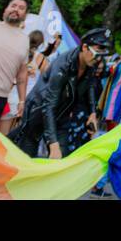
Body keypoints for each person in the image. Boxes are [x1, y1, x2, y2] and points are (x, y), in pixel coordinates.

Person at [13, 28, 113, 158]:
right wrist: (52, 143)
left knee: (62, 156)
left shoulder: (91, 63)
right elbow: (48, 105)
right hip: (39, 110)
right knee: (25, 154)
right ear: (84, 47)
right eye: (97, 52)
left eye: (103, 54)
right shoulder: (63, 65)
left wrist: (93, 113)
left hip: (62, 114)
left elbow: (90, 87)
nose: (99, 59)